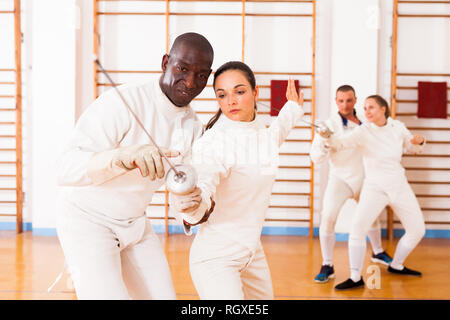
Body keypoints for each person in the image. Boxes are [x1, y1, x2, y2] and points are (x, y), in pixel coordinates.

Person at [56, 32, 214, 299]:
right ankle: (82, 267)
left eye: (200, 75)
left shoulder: (192, 127)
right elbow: (66, 168)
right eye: (182, 68)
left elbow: (181, 197)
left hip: (136, 225)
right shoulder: (123, 101)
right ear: (166, 62)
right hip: (86, 221)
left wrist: (193, 206)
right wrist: (121, 157)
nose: (189, 82)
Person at [169, 62, 305, 300]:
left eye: (239, 92)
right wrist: (192, 204)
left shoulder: (260, 132)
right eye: (222, 95)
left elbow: (274, 136)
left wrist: (291, 109)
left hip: (252, 253)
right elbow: (205, 183)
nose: (230, 101)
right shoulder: (213, 143)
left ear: (255, 93)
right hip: (216, 258)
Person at [328, 95, 426, 290]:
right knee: (357, 229)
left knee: (417, 230)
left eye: (371, 107)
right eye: (365, 108)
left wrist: (419, 141)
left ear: (383, 109)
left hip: (399, 185)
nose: (367, 111)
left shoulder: (398, 127)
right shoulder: (363, 131)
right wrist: (327, 138)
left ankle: (396, 265)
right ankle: (355, 277)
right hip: (374, 188)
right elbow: (341, 143)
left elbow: (413, 148)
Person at [310, 85, 392, 283]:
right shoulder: (327, 126)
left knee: (372, 216)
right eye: (340, 101)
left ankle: (378, 252)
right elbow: (315, 157)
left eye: (348, 100)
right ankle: (327, 264)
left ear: (355, 100)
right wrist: (322, 143)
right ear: (335, 101)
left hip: (365, 178)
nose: (344, 105)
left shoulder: (368, 121)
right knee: (328, 217)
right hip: (341, 179)